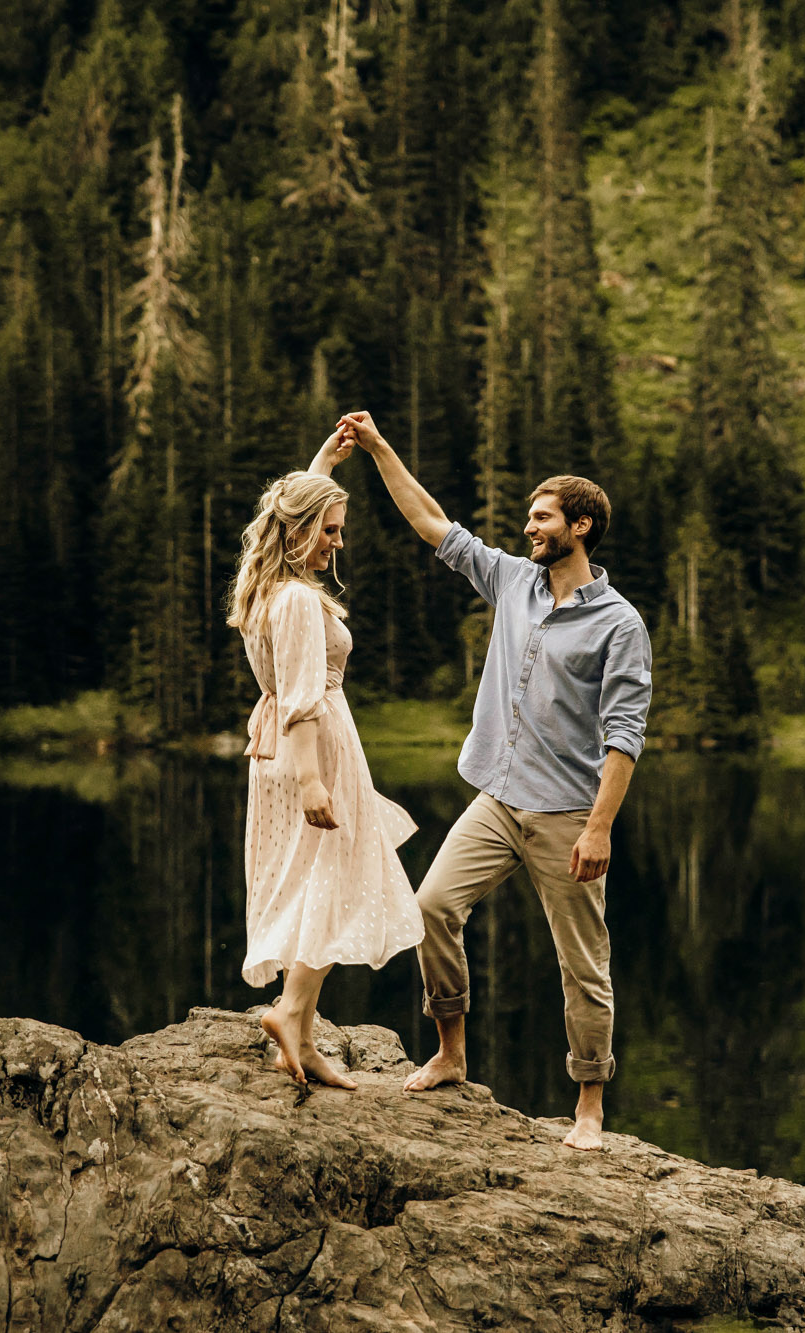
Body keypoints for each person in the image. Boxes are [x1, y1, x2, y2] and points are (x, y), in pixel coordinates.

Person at [341, 410, 652, 1151]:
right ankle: (451, 1053)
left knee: (583, 962)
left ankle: (588, 1104)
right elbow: (431, 523)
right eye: (529, 517)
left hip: (568, 816)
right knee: (433, 906)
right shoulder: (512, 580)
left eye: (542, 518)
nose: (528, 528)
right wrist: (382, 446)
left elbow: (625, 735)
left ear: (580, 526)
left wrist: (600, 827)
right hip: (496, 799)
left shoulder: (619, 624)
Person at [230, 425, 423, 1089]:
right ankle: (289, 1012)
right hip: (312, 747)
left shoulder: (267, 587)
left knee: (311, 874)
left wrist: (322, 464)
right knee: (333, 874)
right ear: (301, 530)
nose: (339, 543)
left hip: (275, 747)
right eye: (331, 531)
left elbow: (291, 506)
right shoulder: (300, 605)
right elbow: (306, 700)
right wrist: (315, 782)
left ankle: (303, 1037)